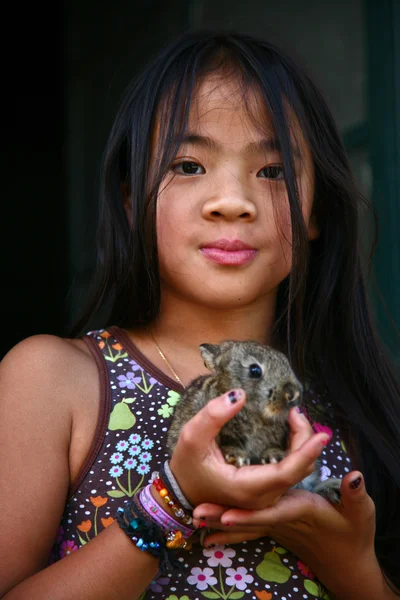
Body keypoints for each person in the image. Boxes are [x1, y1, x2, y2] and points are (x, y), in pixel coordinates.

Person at [0, 30, 399, 600]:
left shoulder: (349, 407)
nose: (232, 199)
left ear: (317, 211)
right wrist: (172, 501)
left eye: (274, 171)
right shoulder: (55, 380)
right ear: (131, 201)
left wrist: (350, 564)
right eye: (188, 165)